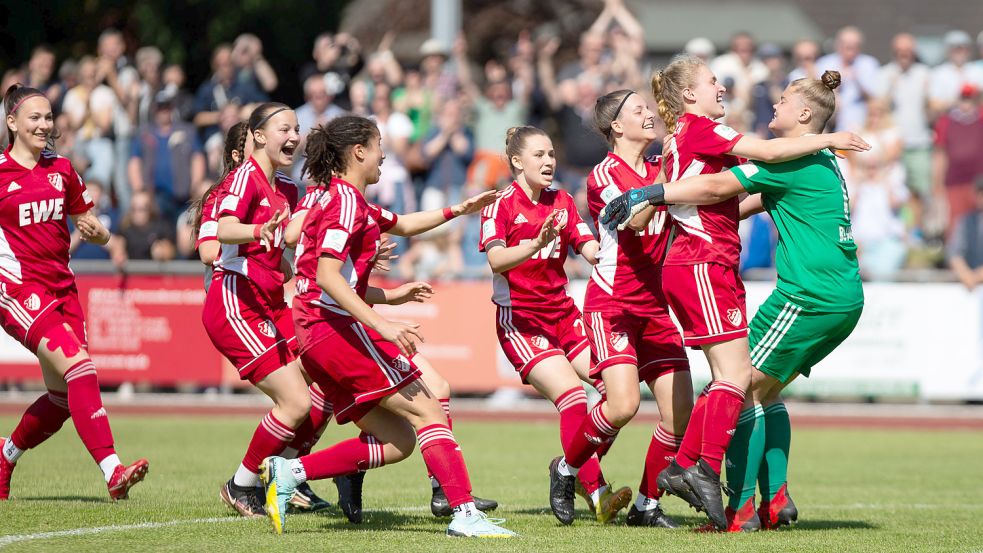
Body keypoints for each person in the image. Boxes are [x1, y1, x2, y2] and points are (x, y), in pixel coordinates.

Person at [599, 54, 868, 530]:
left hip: (791, 288)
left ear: (803, 115)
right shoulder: (810, 155)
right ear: (689, 95)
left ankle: (704, 477)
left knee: (742, 384)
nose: (771, 102)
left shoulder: (789, 153)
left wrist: (651, 196)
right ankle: (743, 492)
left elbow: (726, 189)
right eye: (712, 81)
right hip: (780, 282)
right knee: (747, 384)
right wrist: (655, 199)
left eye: (782, 100)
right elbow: (732, 184)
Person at [260, 115, 515, 538]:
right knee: (429, 406)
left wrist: (460, 209)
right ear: (358, 152)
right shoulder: (343, 202)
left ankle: (289, 472)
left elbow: (404, 223)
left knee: (397, 440)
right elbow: (326, 276)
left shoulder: (348, 199)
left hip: (315, 329)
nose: (384, 154)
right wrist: (385, 323)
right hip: (330, 328)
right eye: (378, 145)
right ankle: (464, 514)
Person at [0, 84, 148, 500]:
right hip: (19, 290)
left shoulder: (63, 169)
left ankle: (5, 455)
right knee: (81, 369)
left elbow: (91, 225)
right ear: (12, 123)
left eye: (49, 117)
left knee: (63, 398)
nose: (45, 124)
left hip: (63, 289)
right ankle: (113, 471)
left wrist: (100, 233)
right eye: (35, 118)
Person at [479, 125, 631, 526]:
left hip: (564, 315)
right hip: (522, 323)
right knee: (572, 397)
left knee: (616, 395)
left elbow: (587, 245)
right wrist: (532, 243)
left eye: (551, 154)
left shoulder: (561, 199)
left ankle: (570, 467)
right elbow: (496, 261)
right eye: (539, 155)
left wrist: (607, 246)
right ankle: (597, 492)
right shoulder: (500, 205)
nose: (549, 162)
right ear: (516, 161)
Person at [576, 90, 694, 528]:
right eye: (639, 110)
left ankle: (647, 506)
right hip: (614, 303)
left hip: (656, 308)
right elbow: (634, 220)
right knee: (623, 406)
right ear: (617, 127)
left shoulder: (659, 168)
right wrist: (667, 181)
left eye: (649, 107)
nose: (650, 114)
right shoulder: (603, 174)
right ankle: (569, 468)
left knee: (679, 414)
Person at [203, 103, 323, 518]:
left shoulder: (288, 188)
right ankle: (243, 484)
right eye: (283, 129)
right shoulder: (245, 178)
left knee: (325, 377)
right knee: (295, 402)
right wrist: (260, 231)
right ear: (256, 135)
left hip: (269, 304)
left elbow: (289, 247)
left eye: (297, 129)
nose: (293, 137)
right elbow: (222, 230)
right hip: (236, 301)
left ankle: (287, 473)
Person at [815, 26, 881, 132]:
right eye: (847, 46)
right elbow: (819, 93)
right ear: (838, 45)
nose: (851, 51)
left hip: (860, 120)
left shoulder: (868, 63)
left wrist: (857, 80)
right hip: (830, 121)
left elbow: (874, 96)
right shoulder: (824, 63)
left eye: (855, 47)